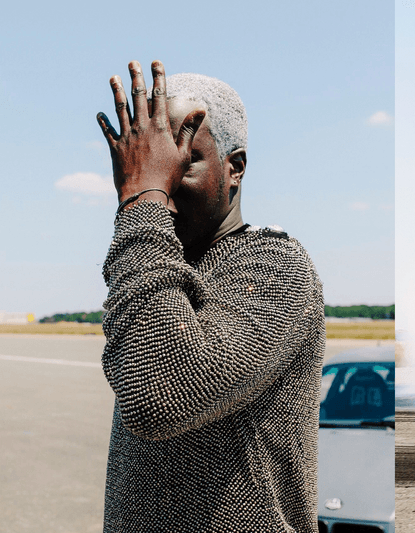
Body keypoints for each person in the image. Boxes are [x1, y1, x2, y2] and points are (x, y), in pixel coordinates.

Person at [96, 60, 324, 533]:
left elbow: (155, 394)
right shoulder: (163, 276)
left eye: (179, 162)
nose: (159, 182)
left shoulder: (276, 266)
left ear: (234, 168)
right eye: (145, 164)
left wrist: (143, 197)